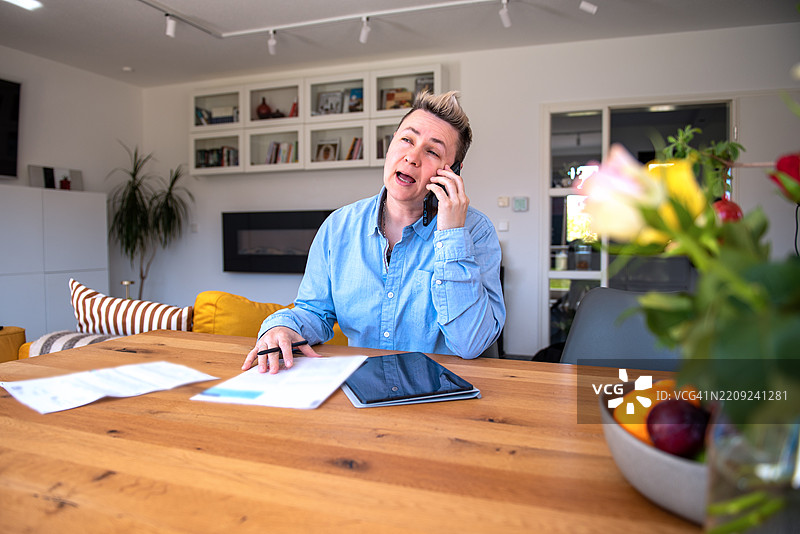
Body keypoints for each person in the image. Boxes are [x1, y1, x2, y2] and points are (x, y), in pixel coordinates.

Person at [243, 91, 505, 374]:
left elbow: (472, 343)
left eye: (432, 151)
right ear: (391, 143)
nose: (412, 157)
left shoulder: (476, 232)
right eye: (406, 139)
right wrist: (281, 327)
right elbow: (314, 312)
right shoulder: (338, 226)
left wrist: (452, 235)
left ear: (452, 171)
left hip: (438, 395)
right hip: (359, 386)